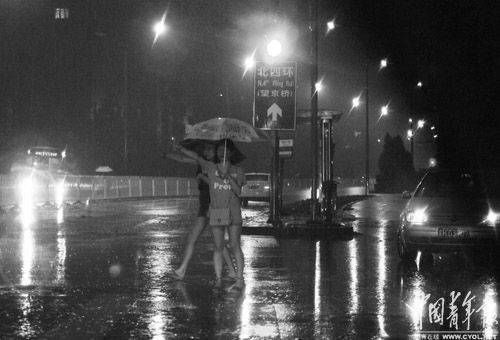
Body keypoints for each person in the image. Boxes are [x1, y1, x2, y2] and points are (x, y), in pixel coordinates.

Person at [176, 140, 246, 290]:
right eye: (220, 149)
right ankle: (219, 279)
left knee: (234, 246)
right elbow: (196, 157)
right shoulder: (211, 167)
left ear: (231, 153)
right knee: (218, 247)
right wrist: (181, 149)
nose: (222, 152)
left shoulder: (238, 170)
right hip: (217, 211)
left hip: (233, 212)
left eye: (225, 150)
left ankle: (240, 279)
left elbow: (238, 191)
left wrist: (228, 175)